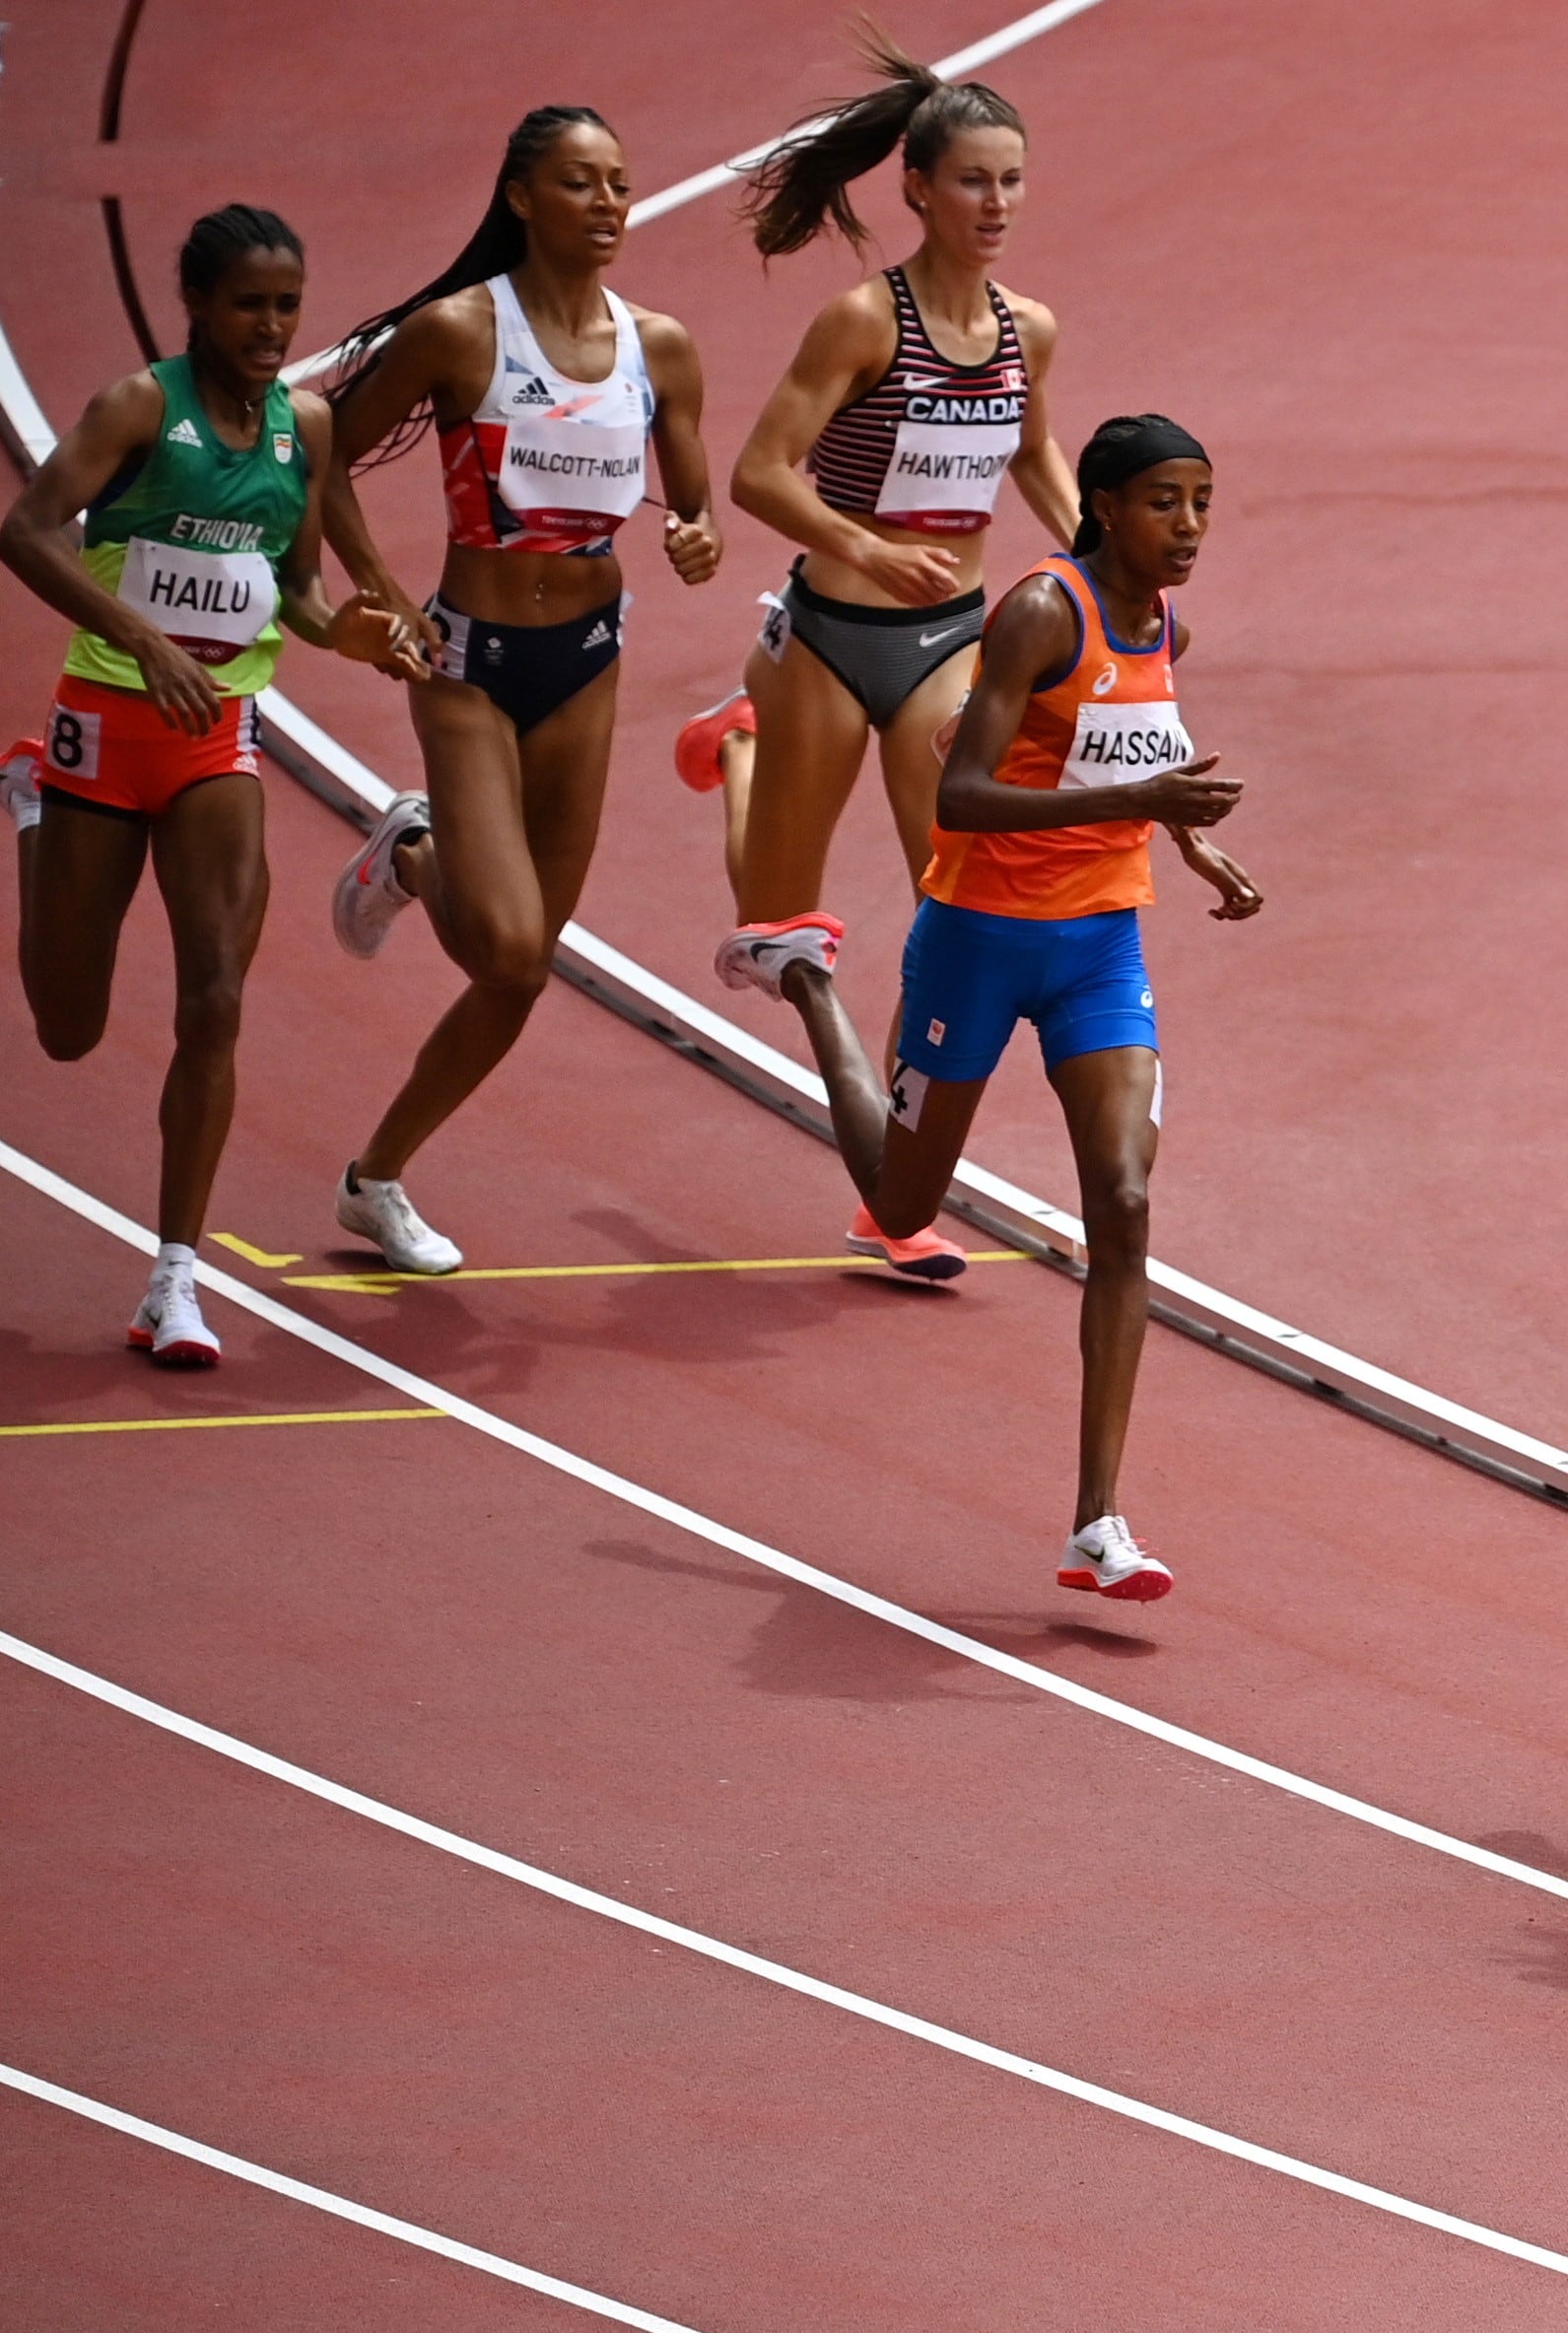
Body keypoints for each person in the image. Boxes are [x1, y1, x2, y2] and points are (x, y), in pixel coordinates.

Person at [723, 416, 1258, 1599]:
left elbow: (1135, 740)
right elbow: (959, 796)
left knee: (1121, 1201)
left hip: (1099, 952)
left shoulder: (1162, 623)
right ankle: (804, 974)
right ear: (1104, 505)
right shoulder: (1037, 612)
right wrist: (1143, 791)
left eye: (1204, 504)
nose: (1190, 528)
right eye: (1166, 503)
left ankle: (1096, 1521)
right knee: (899, 1195)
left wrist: (1188, 840)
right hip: (975, 939)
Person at [4, 205, 425, 1363]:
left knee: (216, 998)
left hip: (217, 737)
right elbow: (27, 530)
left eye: (287, 305)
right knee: (67, 1028)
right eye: (249, 303)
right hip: (105, 722)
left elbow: (288, 587)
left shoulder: (310, 427)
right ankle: (31, 808)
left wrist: (346, 634)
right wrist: (143, 641)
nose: (272, 325)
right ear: (197, 303)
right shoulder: (139, 405)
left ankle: (174, 1277)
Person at [314, 104, 721, 1274]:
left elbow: (692, 501)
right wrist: (380, 585)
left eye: (620, 184)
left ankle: (373, 1179)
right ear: (522, 197)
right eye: (581, 183)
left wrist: (695, 536)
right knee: (504, 949)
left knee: (526, 964)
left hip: (588, 660)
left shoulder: (661, 345)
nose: (607, 204)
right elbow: (323, 444)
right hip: (467, 661)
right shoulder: (458, 333)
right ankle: (416, 851)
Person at [712, 35, 1074, 1277]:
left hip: (947, 648)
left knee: (959, 911)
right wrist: (861, 547)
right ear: (915, 186)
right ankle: (742, 747)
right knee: (772, 919)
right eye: (973, 181)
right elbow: (759, 472)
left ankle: (895, 1194)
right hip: (826, 636)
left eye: (1012, 181)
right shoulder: (865, 320)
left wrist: (1102, 574)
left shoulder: (1028, 328)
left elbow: (1033, 459)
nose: (996, 206)